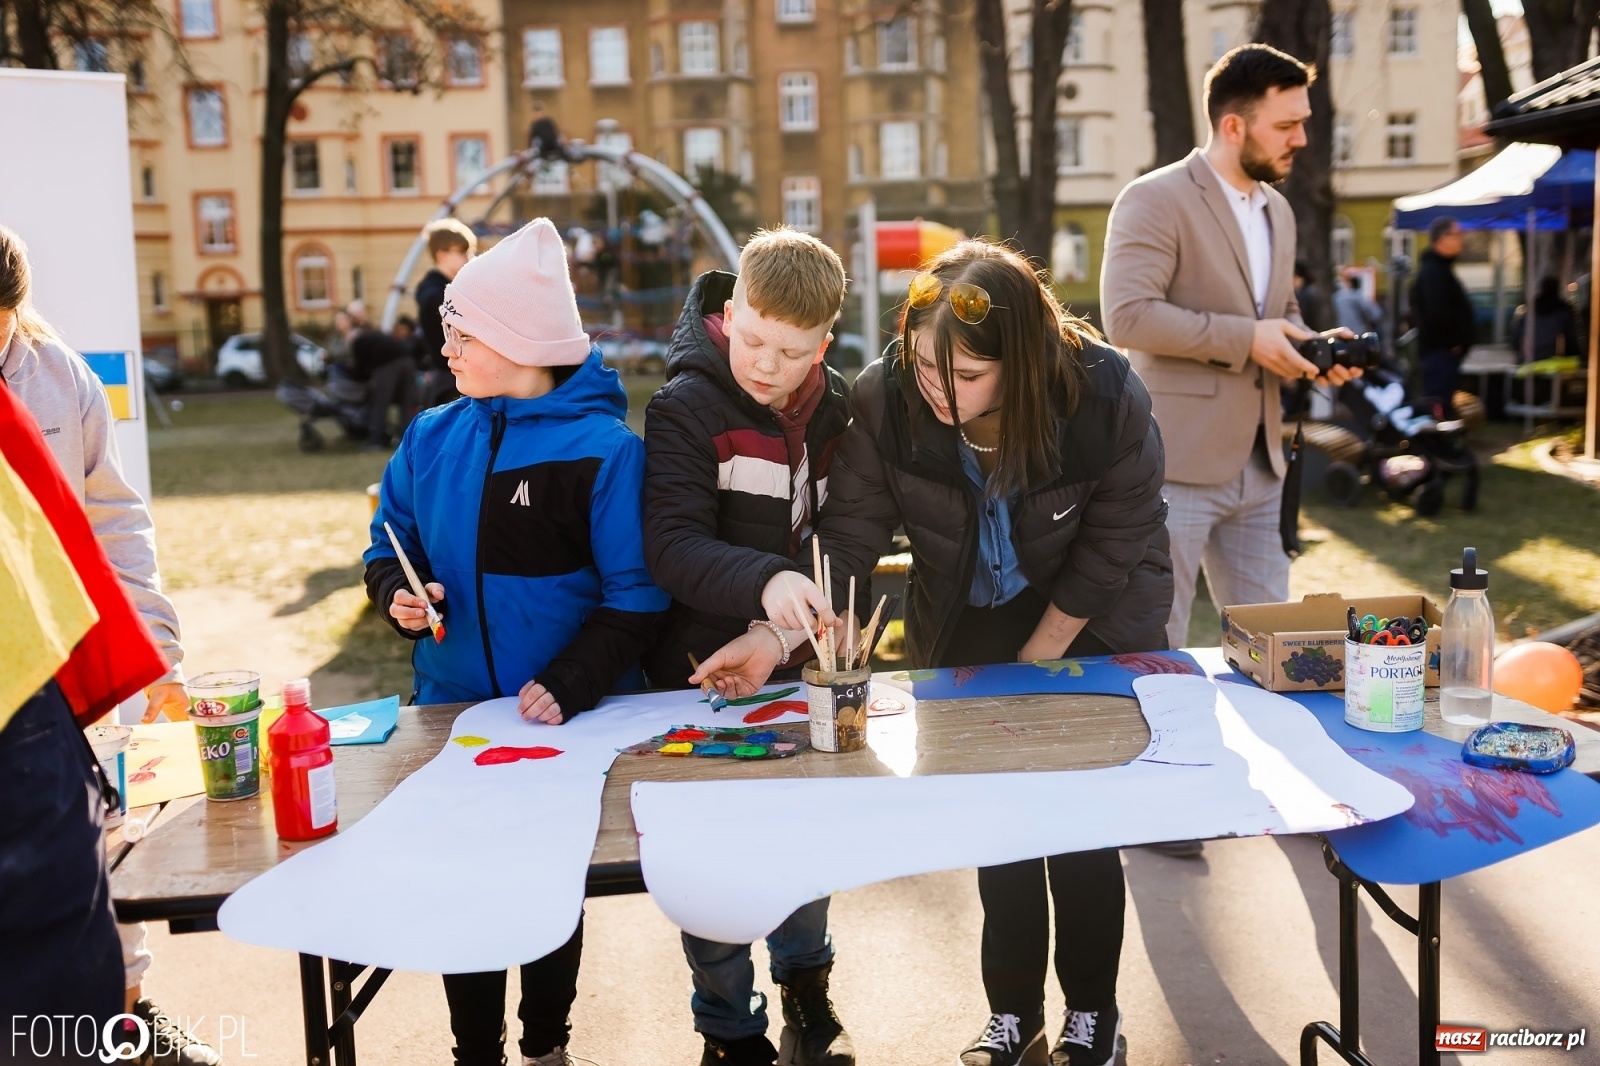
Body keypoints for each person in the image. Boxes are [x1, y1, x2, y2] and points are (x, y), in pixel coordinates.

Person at [701, 239, 1170, 1066]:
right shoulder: (888, 401)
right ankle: (1012, 1015)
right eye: (923, 363)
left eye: (964, 376)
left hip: (1090, 613)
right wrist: (785, 631)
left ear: (1020, 364)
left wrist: (1043, 650)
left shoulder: (1101, 393)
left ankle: (1093, 1013)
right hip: (967, 613)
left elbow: (1122, 533)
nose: (937, 388)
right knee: (1001, 821)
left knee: (1083, 823)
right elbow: (849, 534)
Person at [363, 217, 668, 1066]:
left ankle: (545, 1047)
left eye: (462, 329)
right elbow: (386, 543)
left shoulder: (606, 452)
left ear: (513, 337)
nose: (445, 342)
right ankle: (475, 1054)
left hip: (558, 729)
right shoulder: (431, 435)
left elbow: (637, 598)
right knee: (462, 891)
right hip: (450, 717)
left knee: (544, 892)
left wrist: (571, 682)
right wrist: (399, 592)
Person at [1, 225, 220, 1065]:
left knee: (97, 847)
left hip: (67, 669)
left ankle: (129, 1016)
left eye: (4, 333)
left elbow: (118, 523)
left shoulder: (61, 381)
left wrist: (155, 651)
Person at [641, 228, 853, 1066]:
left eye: (790, 352)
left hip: (799, 674)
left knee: (801, 850)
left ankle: (808, 985)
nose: (765, 364)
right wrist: (767, 583)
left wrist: (783, 627)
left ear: (823, 346)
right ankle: (729, 1029)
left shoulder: (838, 410)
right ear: (729, 315)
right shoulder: (686, 408)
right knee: (713, 870)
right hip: (701, 679)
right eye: (754, 340)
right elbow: (672, 544)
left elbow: (848, 536)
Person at [1101, 44, 1358, 658]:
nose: (1300, 138)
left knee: (1273, 648)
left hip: (1264, 462)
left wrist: (1312, 347)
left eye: (1303, 123)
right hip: (1175, 461)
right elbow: (1128, 316)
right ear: (1233, 124)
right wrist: (1249, 340)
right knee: (1155, 643)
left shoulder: (1280, 209)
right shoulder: (1153, 198)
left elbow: (1278, 314)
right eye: (1287, 125)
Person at [1409, 216, 1474, 411]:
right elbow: (1437, 312)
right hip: (1439, 353)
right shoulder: (1433, 273)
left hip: (1443, 352)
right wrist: (1452, 342)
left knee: (1442, 403)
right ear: (1442, 238)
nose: (1461, 239)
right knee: (1437, 404)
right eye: (1457, 234)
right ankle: (1434, 441)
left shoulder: (1440, 270)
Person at [415, 218, 476, 409]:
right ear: (442, 256)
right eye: (463, 252)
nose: (470, 258)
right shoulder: (437, 295)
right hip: (451, 383)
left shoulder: (438, 291)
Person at [347, 317, 417, 449]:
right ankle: (408, 439)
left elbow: (360, 368)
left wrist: (358, 377)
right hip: (407, 361)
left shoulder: (357, 341)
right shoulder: (374, 336)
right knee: (405, 402)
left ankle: (376, 440)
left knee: (380, 402)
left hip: (387, 366)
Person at [1511, 275, 1579, 363]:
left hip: (1529, 357)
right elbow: (1571, 339)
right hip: (1552, 358)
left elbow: (1516, 338)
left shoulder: (1530, 310)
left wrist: (1520, 356)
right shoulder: (1562, 311)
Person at [1332, 273, 1383, 339]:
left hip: (1343, 333)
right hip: (1358, 334)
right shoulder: (1356, 296)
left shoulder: (1336, 297)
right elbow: (1376, 314)